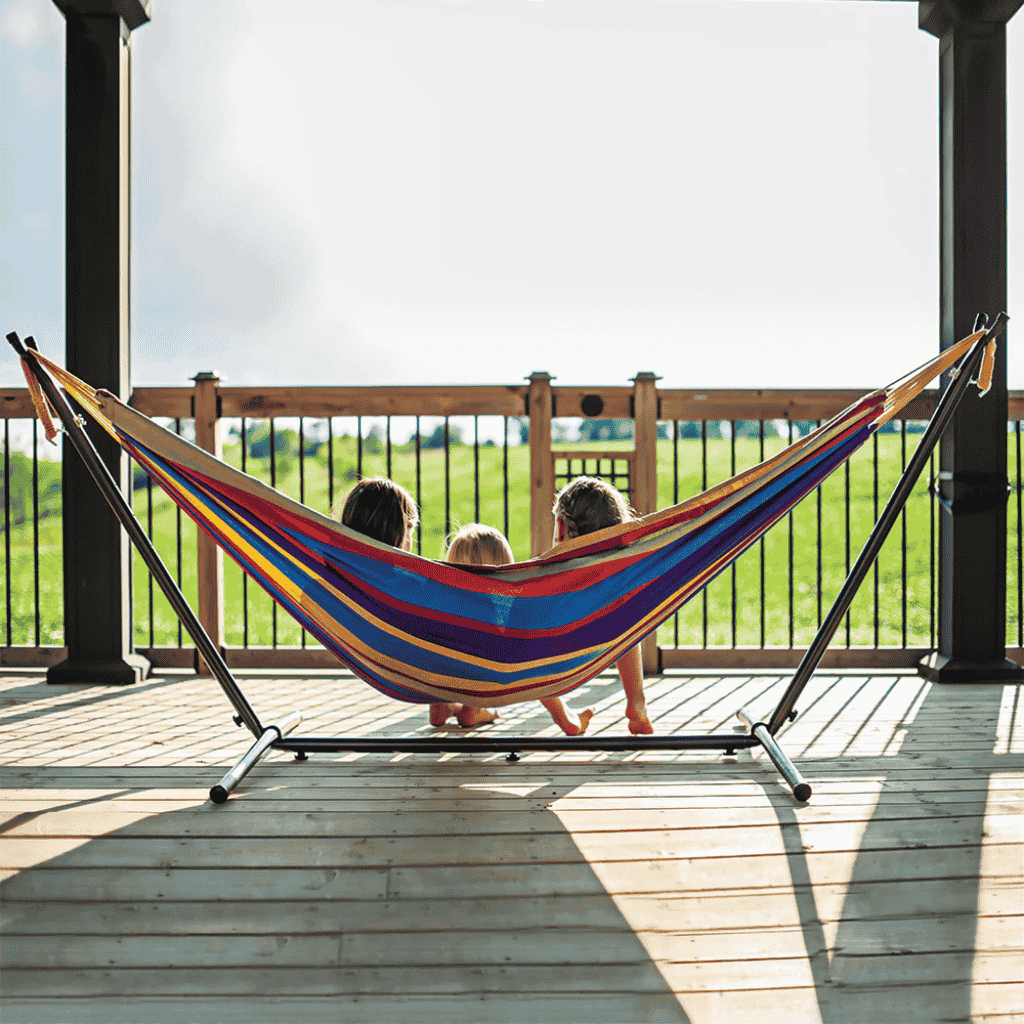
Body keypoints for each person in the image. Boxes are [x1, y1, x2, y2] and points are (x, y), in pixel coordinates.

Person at [337, 478, 496, 728]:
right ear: (400, 532)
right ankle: (472, 708)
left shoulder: (339, 580)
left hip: (386, 667)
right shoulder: (410, 582)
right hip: (424, 670)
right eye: (411, 531)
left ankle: (442, 705)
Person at [441, 523, 594, 737]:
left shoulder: (444, 603)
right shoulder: (507, 604)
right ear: (504, 566)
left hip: (451, 676)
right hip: (493, 675)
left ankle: (444, 707)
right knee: (530, 661)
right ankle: (564, 715)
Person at [551, 476, 654, 735]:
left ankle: (564, 715)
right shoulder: (616, 584)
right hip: (598, 649)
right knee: (623, 616)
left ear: (561, 527)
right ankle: (636, 701)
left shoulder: (542, 578)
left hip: (546, 663)